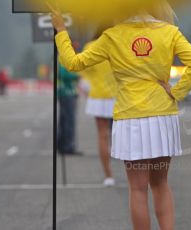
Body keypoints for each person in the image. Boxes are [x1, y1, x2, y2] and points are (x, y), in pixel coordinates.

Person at [49, 1, 191, 229]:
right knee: (161, 183)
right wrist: (177, 92)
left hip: (131, 117)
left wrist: (61, 31)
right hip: (163, 115)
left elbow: (73, 63)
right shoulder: (169, 31)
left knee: (138, 189)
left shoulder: (112, 36)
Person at [80, 29, 118, 187]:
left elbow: (83, 70)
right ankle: (136, 175)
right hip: (120, 95)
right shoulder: (117, 43)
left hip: (98, 96)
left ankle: (108, 176)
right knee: (124, 135)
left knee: (103, 136)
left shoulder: (90, 46)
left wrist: (91, 83)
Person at [57, 64, 82, 155]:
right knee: (69, 121)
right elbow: (63, 74)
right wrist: (77, 76)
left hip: (67, 93)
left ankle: (62, 145)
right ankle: (68, 146)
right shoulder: (63, 58)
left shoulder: (63, 57)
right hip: (66, 93)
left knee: (64, 121)